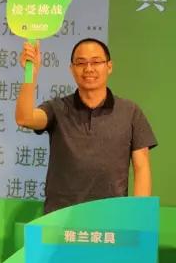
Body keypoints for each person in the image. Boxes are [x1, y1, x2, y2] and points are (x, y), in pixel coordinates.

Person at [15, 38, 157, 213]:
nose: (89, 69)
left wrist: (139, 215)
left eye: (96, 62)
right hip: (61, 218)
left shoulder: (130, 112)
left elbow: (142, 168)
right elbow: (25, 119)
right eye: (81, 63)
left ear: (109, 66)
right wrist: (31, 73)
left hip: (112, 217)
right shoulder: (57, 108)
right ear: (72, 69)